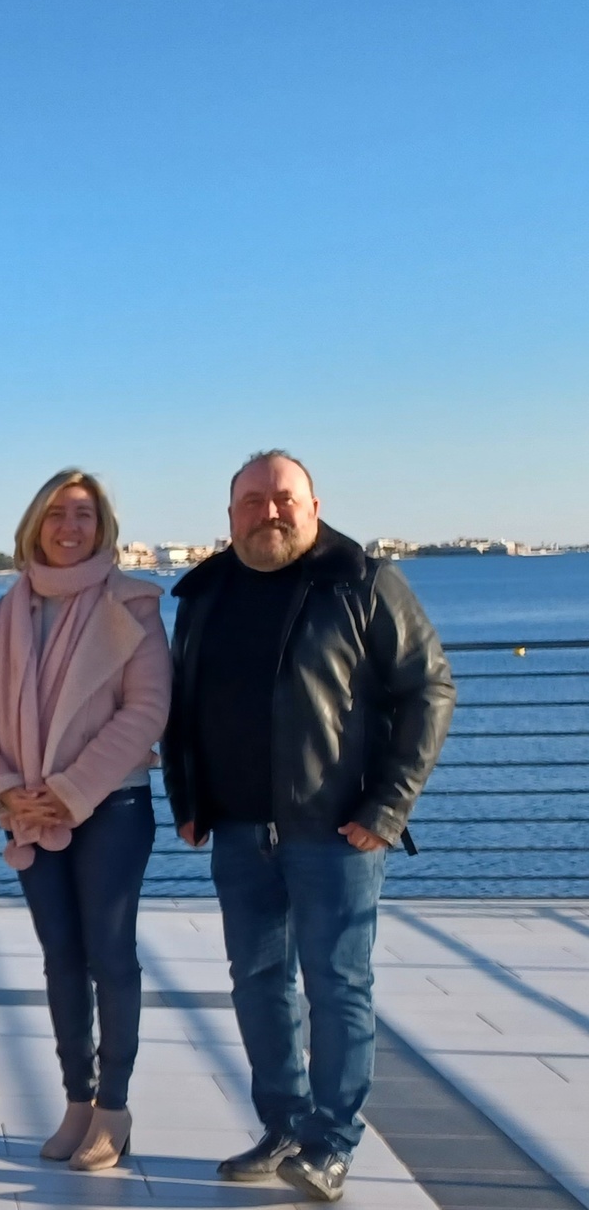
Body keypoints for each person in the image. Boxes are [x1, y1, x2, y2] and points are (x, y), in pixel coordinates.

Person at [163, 452, 453, 1202]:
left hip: (336, 830)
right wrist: (186, 796)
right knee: (258, 982)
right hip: (235, 828)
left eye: (282, 497)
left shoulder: (361, 581)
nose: (269, 511)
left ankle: (332, 1140)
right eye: (252, 501)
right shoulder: (205, 592)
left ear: (314, 505)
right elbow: (181, 706)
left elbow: (429, 688)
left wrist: (386, 808)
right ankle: (283, 1125)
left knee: (336, 983)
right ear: (230, 517)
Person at [0, 470, 170, 1171]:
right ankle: (76, 1098)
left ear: (102, 524)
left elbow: (146, 709)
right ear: (36, 524)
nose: (69, 525)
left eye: (83, 513)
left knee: (110, 955)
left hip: (112, 806)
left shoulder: (134, 604)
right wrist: (4, 791)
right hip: (27, 810)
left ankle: (114, 1105)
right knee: (61, 958)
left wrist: (70, 789)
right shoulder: (5, 612)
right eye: (57, 512)